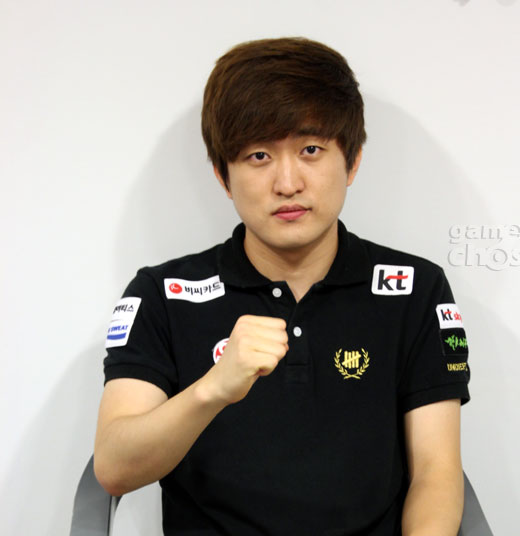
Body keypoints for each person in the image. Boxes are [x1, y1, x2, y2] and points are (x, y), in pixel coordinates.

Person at [94, 37, 470, 536]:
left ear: (352, 161)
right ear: (223, 176)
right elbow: (114, 468)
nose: (287, 183)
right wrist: (212, 389)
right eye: (258, 156)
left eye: (311, 150)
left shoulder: (416, 291)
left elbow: (436, 473)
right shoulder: (162, 294)